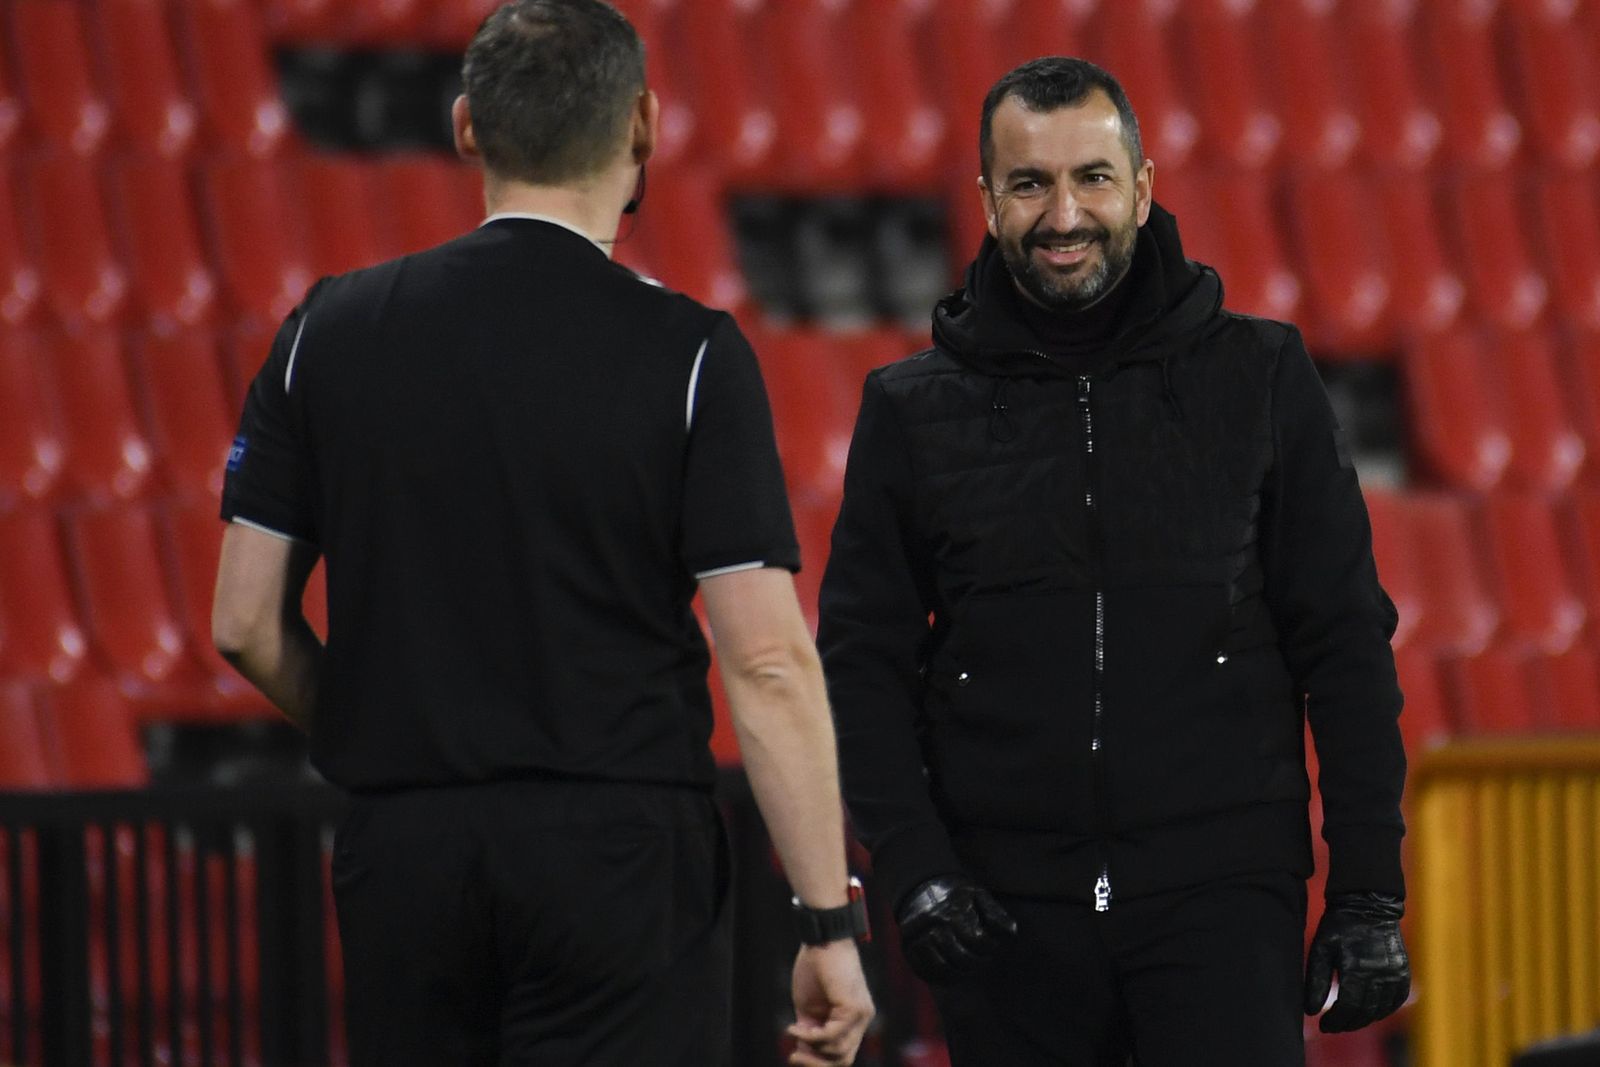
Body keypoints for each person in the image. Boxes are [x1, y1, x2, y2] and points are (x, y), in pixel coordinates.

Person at [209, 2, 873, 1064]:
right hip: (614, 854)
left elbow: (244, 621)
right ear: (643, 125)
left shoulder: (324, 329)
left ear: (468, 126)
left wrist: (391, 733)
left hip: (406, 849)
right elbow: (765, 661)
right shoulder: (691, 353)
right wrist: (825, 920)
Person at [817, 56, 1409, 1065]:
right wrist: (915, 867)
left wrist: (1367, 889)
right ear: (985, 200)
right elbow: (861, 660)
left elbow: (1345, 641)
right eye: (1028, 183)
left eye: (1091, 176)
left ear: (1141, 184)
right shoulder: (909, 409)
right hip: (1002, 920)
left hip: (1224, 905)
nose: (1063, 215)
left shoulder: (1261, 375)